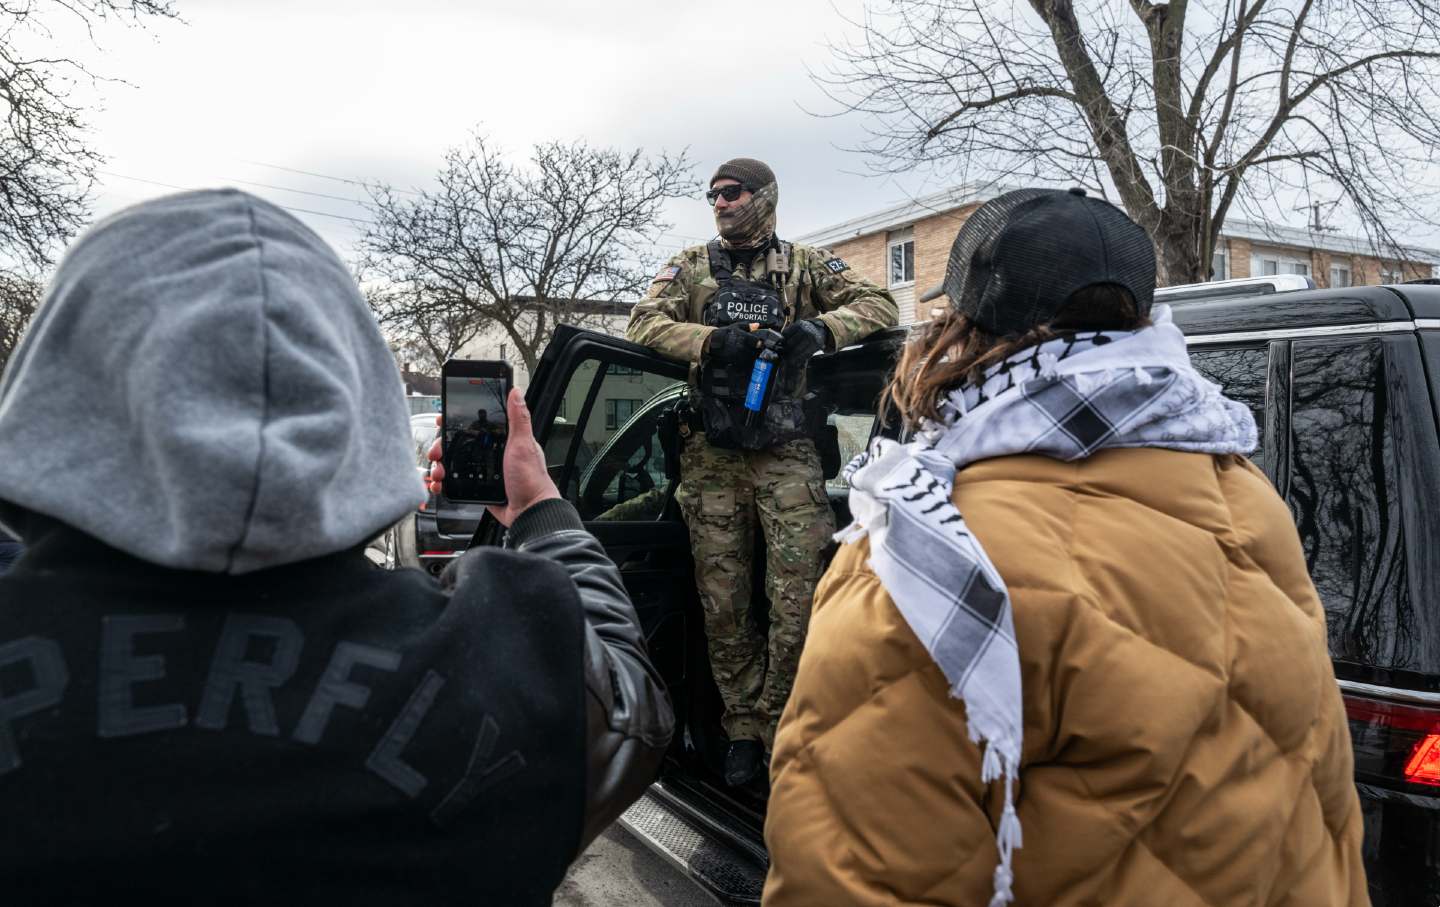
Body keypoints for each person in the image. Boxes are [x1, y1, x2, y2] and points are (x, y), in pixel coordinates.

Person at [0, 189, 673, 905]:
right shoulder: (507, 665)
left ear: (58, 392)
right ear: (363, 402)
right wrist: (540, 508)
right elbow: (632, 713)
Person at [763, 188, 1368, 906]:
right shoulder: (1245, 496)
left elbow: (850, 878)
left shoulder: (923, 553)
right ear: (1140, 322)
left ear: (962, 333)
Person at [626, 157, 898, 785]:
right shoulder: (692, 266)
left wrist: (819, 330)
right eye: (713, 194)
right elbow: (643, 323)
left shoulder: (805, 265)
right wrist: (711, 342)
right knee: (723, 605)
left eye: (732, 192)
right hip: (712, 456)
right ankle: (742, 726)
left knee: (798, 598)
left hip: (786, 451)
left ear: (764, 196)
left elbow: (879, 303)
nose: (720, 203)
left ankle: (782, 723)